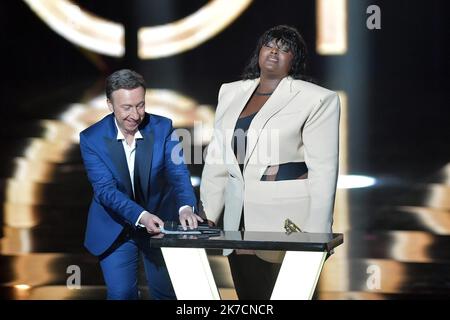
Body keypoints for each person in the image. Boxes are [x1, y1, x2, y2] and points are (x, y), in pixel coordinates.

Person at [200, 25, 340, 299]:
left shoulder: (317, 98)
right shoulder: (230, 92)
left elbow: (324, 169)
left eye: (285, 49)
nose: (275, 52)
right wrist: (207, 215)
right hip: (236, 222)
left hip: (286, 222)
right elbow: (218, 160)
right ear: (259, 51)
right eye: (269, 45)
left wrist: (319, 235)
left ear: (294, 59)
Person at [79, 69, 203, 299]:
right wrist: (142, 216)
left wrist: (186, 206)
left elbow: (178, 172)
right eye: (126, 107)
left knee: (164, 293)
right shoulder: (91, 139)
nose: (135, 115)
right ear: (109, 104)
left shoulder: (163, 128)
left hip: (159, 222)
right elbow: (106, 191)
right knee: (121, 294)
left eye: (140, 105)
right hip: (115, 227)